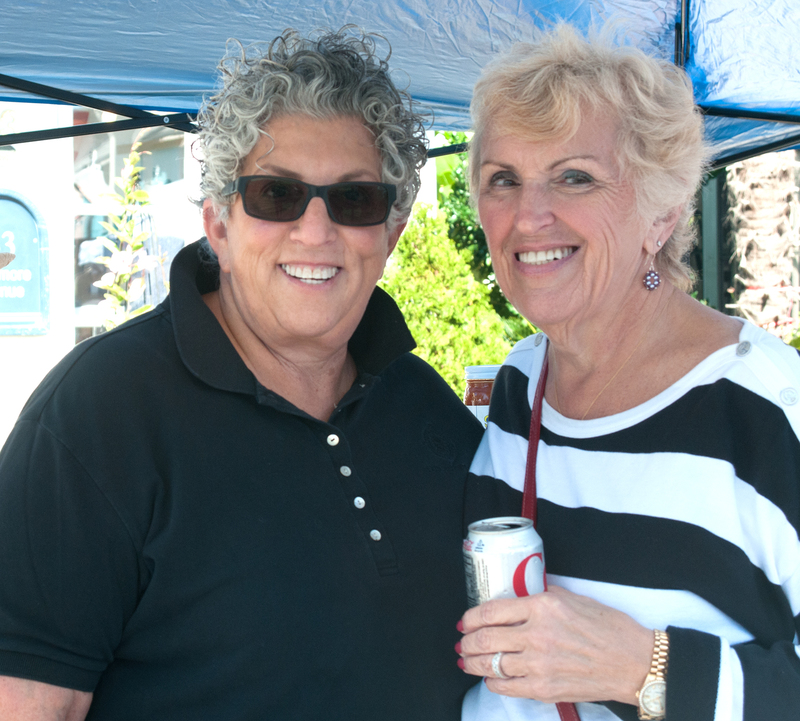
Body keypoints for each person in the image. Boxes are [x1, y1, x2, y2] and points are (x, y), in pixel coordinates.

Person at [0, 28, 482, 720]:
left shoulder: (432, 414)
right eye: (276, 195)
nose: (315, 231)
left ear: (392, 233)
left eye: (354, 201)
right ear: (217, 226)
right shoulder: (96, 417)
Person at [456, 23, 800, 721]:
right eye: (503, 180)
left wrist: (644, 666)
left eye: (575, 176)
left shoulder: (765, 409)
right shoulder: (521, 385)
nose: (529, 215)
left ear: (663, 210)